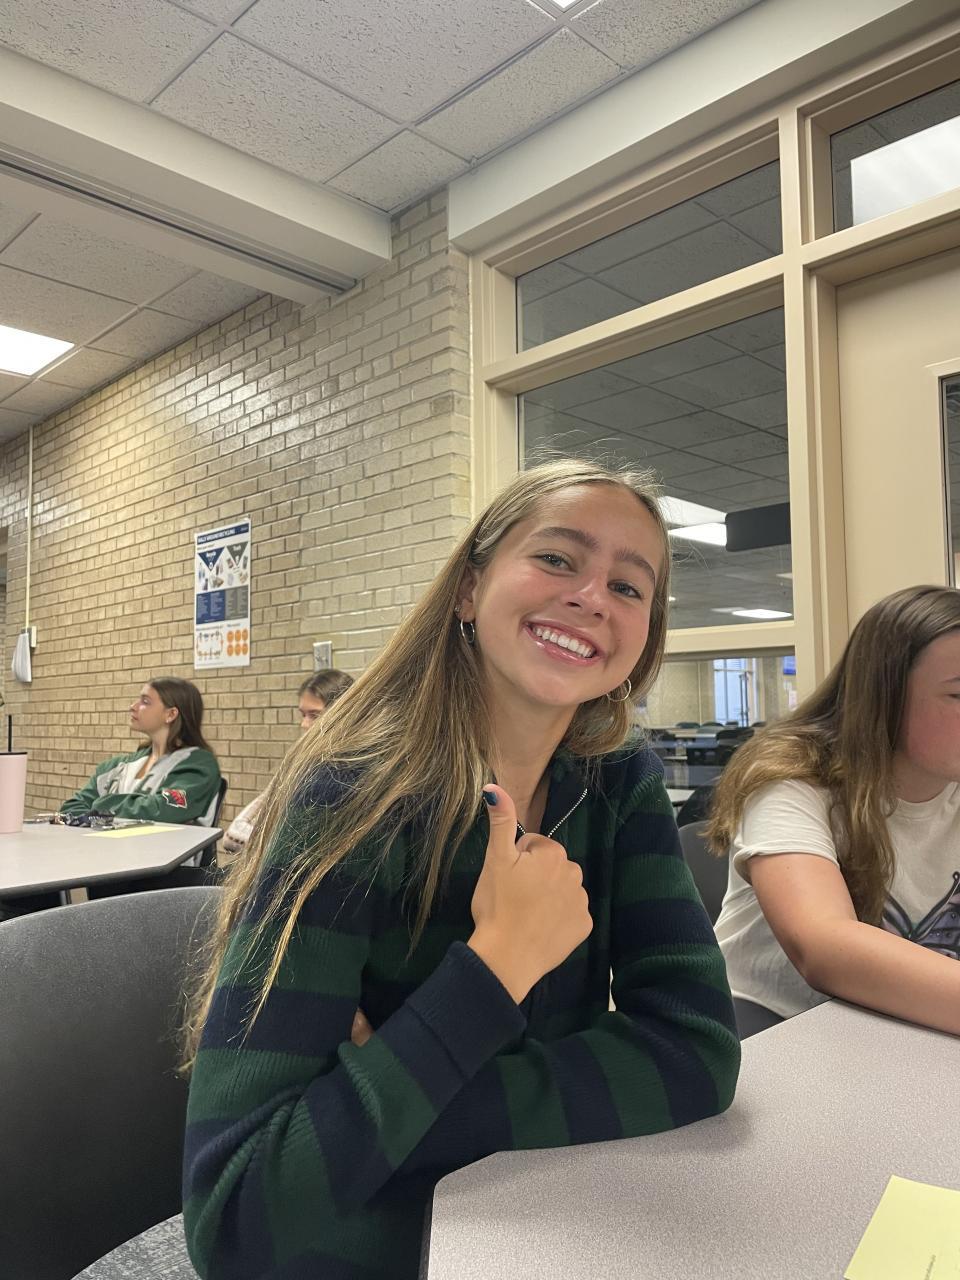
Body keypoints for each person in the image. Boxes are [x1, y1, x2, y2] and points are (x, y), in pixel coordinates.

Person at [181, 459, 740, 1280]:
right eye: (557, 558)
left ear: (644, 637)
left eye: (629, 587)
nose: (592, 596)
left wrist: (409, 1095)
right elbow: (238, 1218)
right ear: (470, 590)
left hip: (546, 1222)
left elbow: (697, 1051)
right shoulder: (351, 797)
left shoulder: (619, 781)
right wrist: (497, 964)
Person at [709, 585, 960, 1037]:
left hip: (895, 1021)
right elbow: (825, 946)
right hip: (772, 1023)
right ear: (885, 697)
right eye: (958, 694)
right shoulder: (791, 780)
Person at [222, 669, 354, 854]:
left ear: (343, 713)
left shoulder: (342, 771)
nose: (304, 724)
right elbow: (234, 834)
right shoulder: (301, 759)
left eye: (314, 715)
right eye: (303, 715)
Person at [61, 677, 220, 824]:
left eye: (145, 701)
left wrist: (100, 808)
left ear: (171, 714)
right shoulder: (116, 766)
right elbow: (71, 808)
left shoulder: (198, 765)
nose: (133, 706)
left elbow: (164, 809)